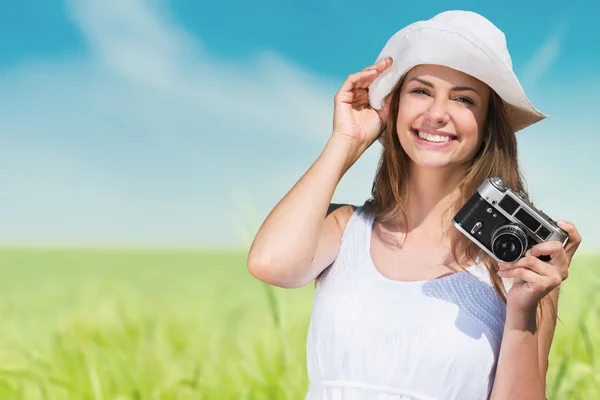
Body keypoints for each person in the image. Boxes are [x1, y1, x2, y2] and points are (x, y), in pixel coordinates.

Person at [247, 10, 582, 400]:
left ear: (487, 123)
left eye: (463, 99)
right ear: (394, 106)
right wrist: (346, 141)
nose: (437, 114)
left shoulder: (518, 265)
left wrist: (523, 306)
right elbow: (270, 264)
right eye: (421, 91)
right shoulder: (344, 230)